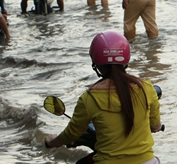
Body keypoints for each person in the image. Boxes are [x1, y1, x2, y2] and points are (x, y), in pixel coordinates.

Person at [45, 30, 163, 164]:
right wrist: (157, 127)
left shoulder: (89, 98)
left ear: (96, 63)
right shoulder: (145, 87)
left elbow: (72, 133)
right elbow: (155, 125)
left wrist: (52, 141)